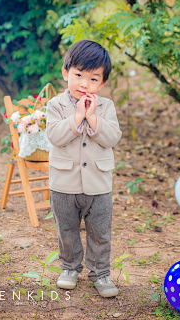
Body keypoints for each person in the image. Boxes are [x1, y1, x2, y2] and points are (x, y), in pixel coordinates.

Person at [46, 40, 122, 297]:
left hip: (98, 184)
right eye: (78, 75)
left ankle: (101, 273)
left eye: (93, 79)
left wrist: (92, 117)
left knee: (100, 232)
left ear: (101, 84)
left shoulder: (106, 107)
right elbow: (55, 136)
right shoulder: (55, 105)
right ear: (66, 73)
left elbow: (112, 137)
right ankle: (69, 268)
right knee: (66, 230)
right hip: (63, 183)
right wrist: (77, 116)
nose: (84, 84)